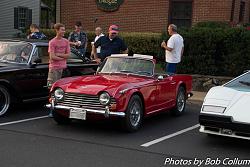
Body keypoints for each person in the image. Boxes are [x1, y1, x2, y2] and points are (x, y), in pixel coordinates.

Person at [47, 23, 70, 89]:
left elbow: (68, 55)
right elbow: (52, 57)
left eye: (64, 30)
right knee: (53, 87)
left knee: (63, 88)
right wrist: (63, 57)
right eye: (62, 30)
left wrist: (58, 54)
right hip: (54, 68)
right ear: (57, 31)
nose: (64, 31)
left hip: (63, 68)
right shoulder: (52, 42)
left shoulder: (66, 41)